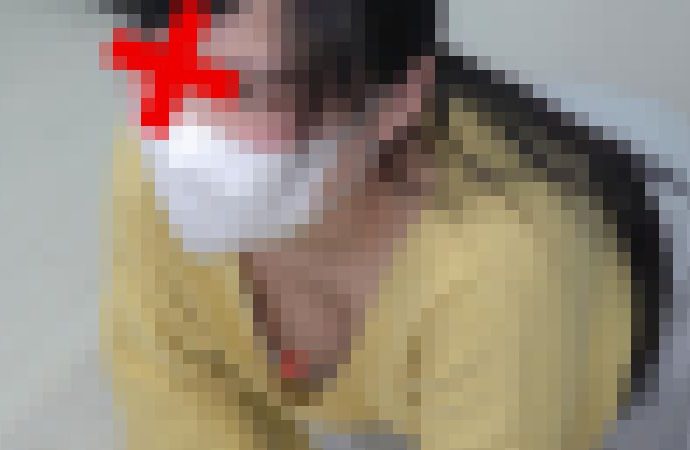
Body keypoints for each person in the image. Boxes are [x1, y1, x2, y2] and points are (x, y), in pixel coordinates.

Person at [101, 1, 663, 449]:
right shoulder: (158, 171)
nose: (184, 130)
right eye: (165, 64)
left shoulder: (500, 275)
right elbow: (178, 396)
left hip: (643, 289)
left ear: (396, 101)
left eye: (249, 90)